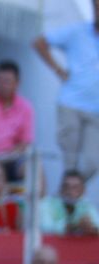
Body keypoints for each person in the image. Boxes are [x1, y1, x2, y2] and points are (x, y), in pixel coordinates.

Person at [36, 10, 99, 182]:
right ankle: (69, 197)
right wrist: (58, 70)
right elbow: (39, 42)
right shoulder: (77, 32)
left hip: (96, 110)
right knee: (69, 163)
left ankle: (71, 192)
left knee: (93, 163)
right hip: (71, 104)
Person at [39, 169, 99, 237]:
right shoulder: (47, 203)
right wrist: (75, 226)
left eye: (75, 187)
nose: (70, 191)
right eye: (66, 186)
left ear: (83, 190)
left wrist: (91, 229)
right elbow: (46, 228)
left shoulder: (87, 206)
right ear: (60, 188)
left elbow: (97, 225)